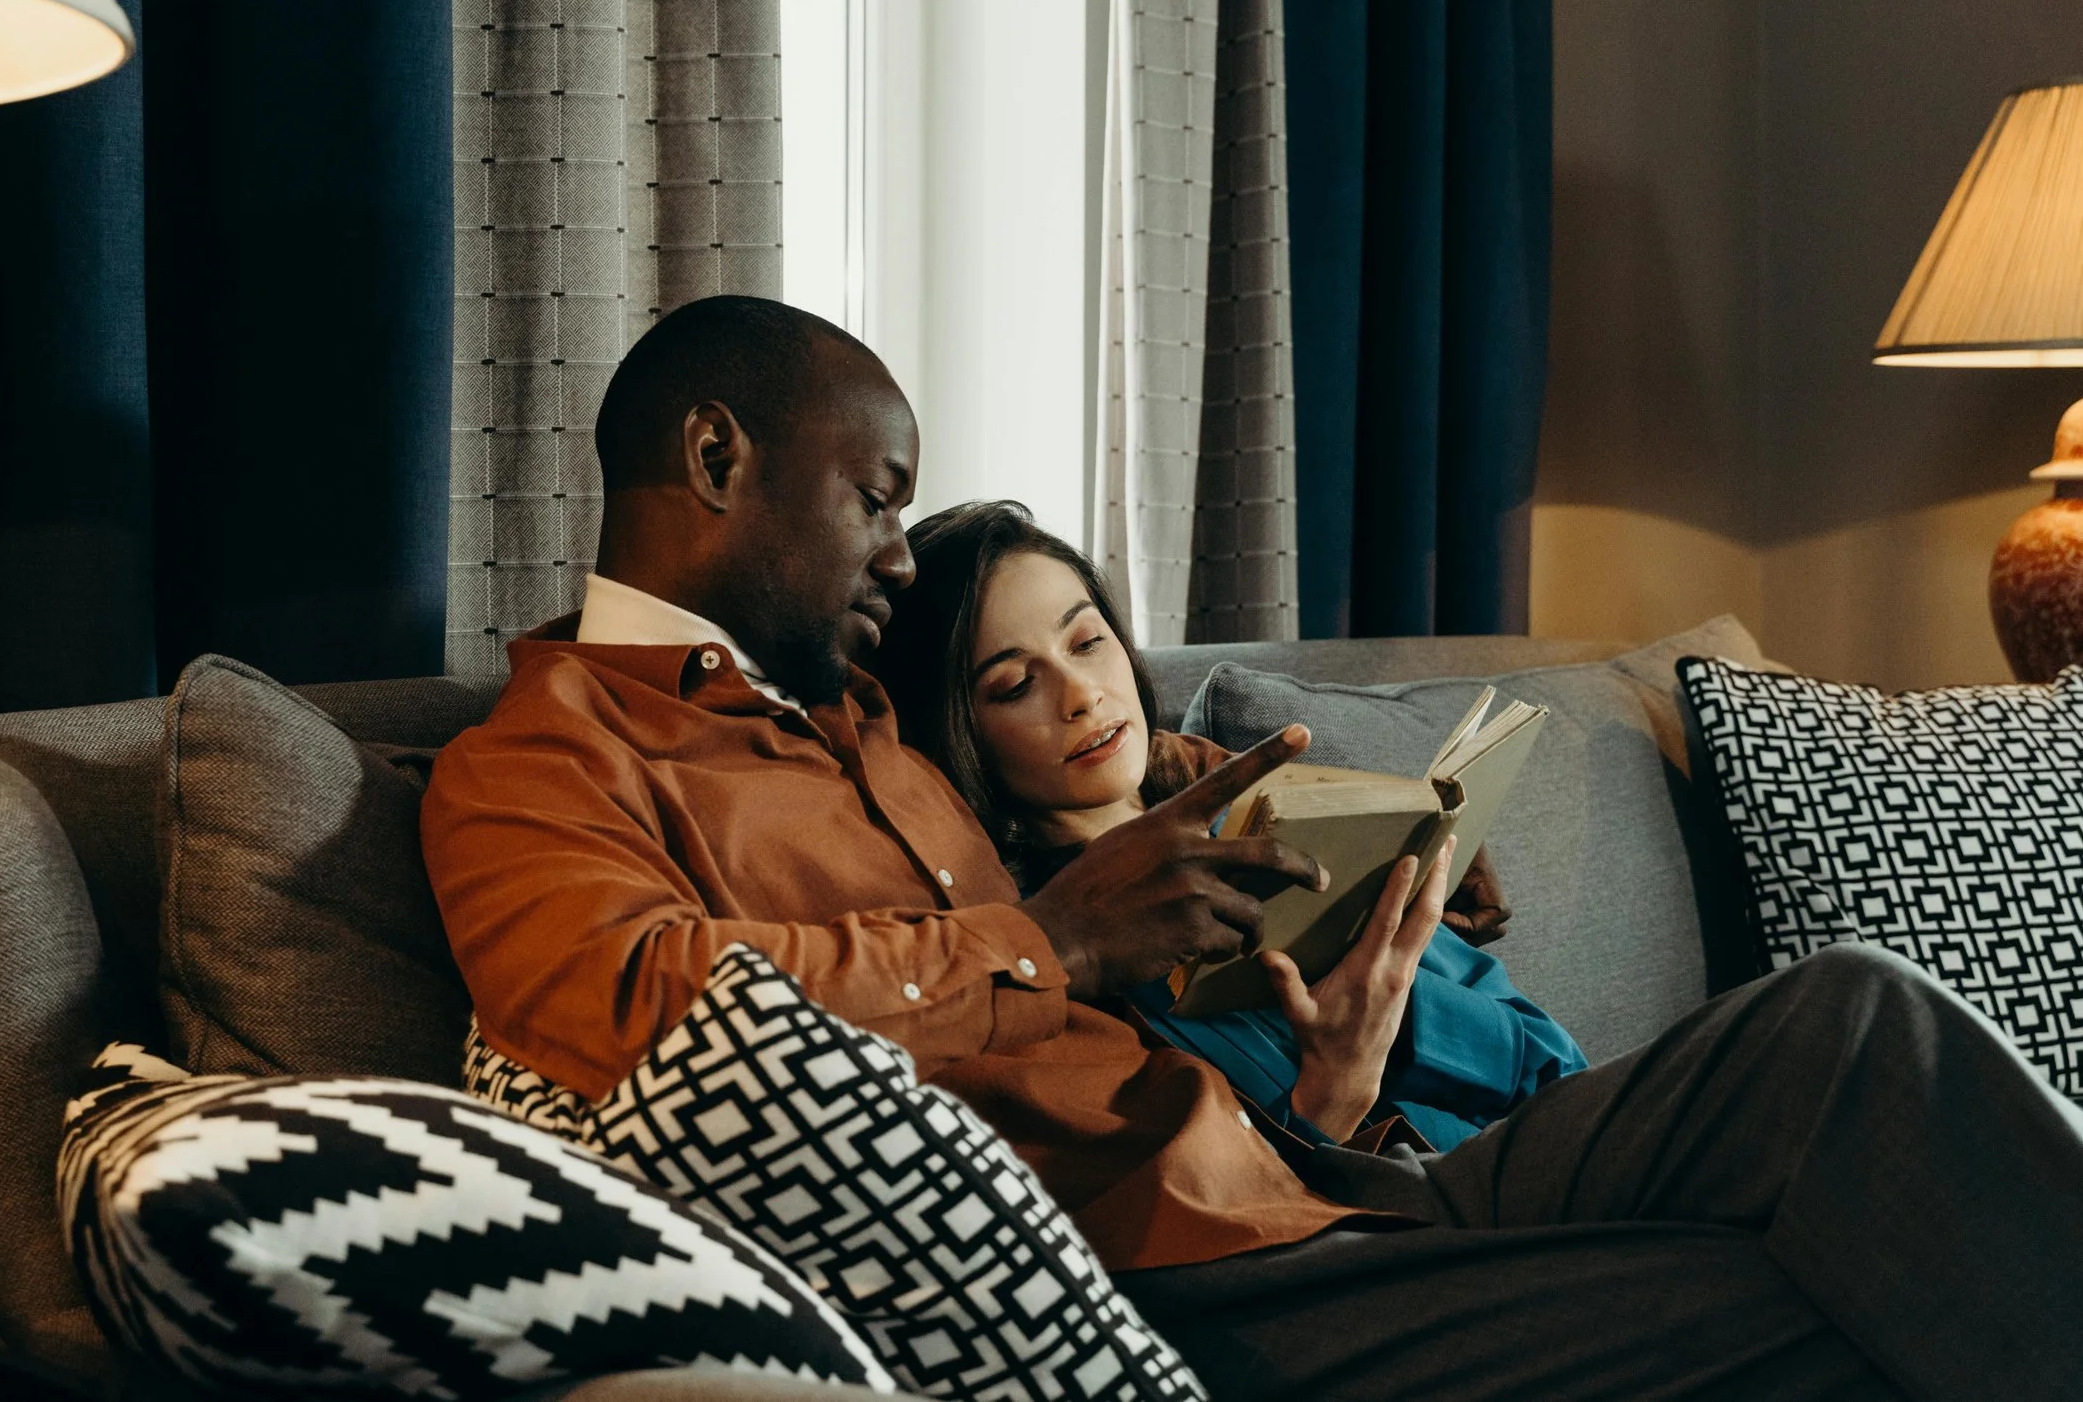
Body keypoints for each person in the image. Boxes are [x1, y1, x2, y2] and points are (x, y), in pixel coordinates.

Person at [422, 295, 2083, 1400]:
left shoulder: (858, 713)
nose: (897, 558)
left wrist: (1352, 845)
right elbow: (636, 1001)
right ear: (718, 460)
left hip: (1325, 1189)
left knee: (1842, 1023)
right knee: (1827, 1303)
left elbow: (1107, 752)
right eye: (877, 498)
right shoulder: (540, 764)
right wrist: (1055, 945)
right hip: (1192, 1298)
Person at [864, 498, 1585, 1152]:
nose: (1083, 694)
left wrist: (1392, 999)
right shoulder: (1067, 973)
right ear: (959, 733)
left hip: (1563, 1161)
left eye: (1086, 642)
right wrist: (1333, 1088)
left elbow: (1561, 1065)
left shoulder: (1294, 841)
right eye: (1015, 684)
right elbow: (1212, 1221)